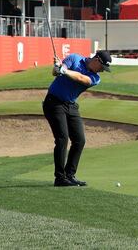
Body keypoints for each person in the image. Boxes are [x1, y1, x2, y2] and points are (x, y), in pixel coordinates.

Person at [42, 50, 112, 187]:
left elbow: (80, 78)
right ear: (96, 60)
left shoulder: (95, 78)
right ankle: (60, 177)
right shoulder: (74, 58)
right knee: (62, 138)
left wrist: (64, 71)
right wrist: (58, 67)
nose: (102, 71)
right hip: (54, 102)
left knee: (79, 140)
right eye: (102, 67)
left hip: (71, 105)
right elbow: (56, 72)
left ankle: (70, 175)